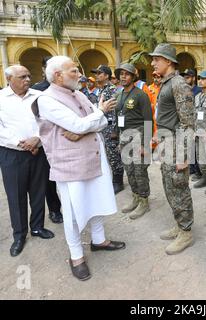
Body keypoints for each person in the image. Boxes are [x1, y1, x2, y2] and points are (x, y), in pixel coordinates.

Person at [33, 56, 125, 281]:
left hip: (94, 157)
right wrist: (94, 117)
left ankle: (99, 240)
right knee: (73, 212)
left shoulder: (81, 94)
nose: (79, 75)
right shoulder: (46, 99)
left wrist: (84, 128)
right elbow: (80, 123)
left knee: (96, 202)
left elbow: (99, 124)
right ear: (58, 75)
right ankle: (76, 257)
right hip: (70, 165)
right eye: (73, 71)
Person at [0, 65, 54, 257]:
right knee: (16, 195)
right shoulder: (1, 99)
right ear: (9, 79)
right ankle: (19, 235)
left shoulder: (37, 96)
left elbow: (46, 121)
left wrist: (37, 139)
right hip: (12, 154)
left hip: (38, 151)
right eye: (22, 77)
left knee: (39, 191)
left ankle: (37, 227)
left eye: (29, 76)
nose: (28, 80)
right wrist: (21, 143)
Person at [150, 43, 195, 255]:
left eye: (156, 59)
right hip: (166, 143)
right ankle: (179, 224)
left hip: (176, 146)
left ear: (168, 61)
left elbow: (188, 122)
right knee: (170, 187)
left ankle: (186, 231)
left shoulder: (178, 84)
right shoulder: (166, 83)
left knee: (179, 188)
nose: (152, 63)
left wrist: (183, 155)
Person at [114, 63, 153, 219]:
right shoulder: (120, 94)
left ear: (133, 77)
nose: (123, 77)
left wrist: (145, 144)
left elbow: (148, 120)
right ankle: (135, 197)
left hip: (138, 136)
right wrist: (118, 138)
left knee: (139, 172)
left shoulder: (140, 95)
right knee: (129, 171)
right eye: (121, 74)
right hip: (125, 138)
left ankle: (144, 201)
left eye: (127, 74)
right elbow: (118, 117)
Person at [32, 56, 63, 224]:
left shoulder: (66, 87)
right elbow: (33, 118)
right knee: (49, 179)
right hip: (46, 141)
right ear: (44, 69)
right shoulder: (37, 90)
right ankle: (54, 210)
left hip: (66, 139)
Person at [92, 64, 124, 194]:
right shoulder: (100, 90)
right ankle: (113, 179)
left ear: (106, 75)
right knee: (107, 155)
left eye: (99, 73)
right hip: (103, 128)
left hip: (111, 128)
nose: (96, 75)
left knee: (114, 155)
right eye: (96, 73)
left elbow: (120, 111)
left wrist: (116, 130)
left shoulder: (113, 90)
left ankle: (118, 182)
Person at [181, 69, 202, 180]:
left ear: (193, 78)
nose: (186, 79)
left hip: (196, 121)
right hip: (186, 122)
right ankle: (192, 168)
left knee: (196, 147)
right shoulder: (184, 90)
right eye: (184, 77)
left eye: (188, 77)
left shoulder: (198, 90)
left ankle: (198, 171)